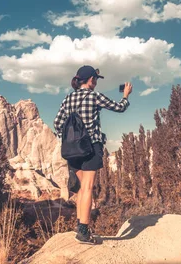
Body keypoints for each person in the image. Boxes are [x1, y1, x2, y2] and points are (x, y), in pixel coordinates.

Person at [53, 65, 133, 245]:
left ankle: (79, 227)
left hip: (72, 150)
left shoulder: (68, 98)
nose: (96, 82)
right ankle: (83, 231)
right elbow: (119, 108)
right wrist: (126, 95)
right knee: (88, 188)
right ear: (90, 79)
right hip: (90, 147)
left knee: (81, 189)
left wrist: (70, 135)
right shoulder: (94, 96)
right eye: (95, 79)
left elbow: (57, 123)